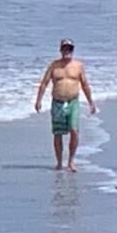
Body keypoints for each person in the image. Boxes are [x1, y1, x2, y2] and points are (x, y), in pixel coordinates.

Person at [34, 38, 96, 171]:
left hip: (73, 101)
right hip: (57, 102)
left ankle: (71, 161)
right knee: (58, 133)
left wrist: (91, 102)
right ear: (61, 50)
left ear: (72, 50)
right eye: (65, 49)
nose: (67, 51)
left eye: (70, 49)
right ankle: (59, 162)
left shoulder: (78, 66)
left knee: (74, 130)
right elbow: (44, 83)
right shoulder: (54, 65)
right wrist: (38, 100)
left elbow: (85, 84)